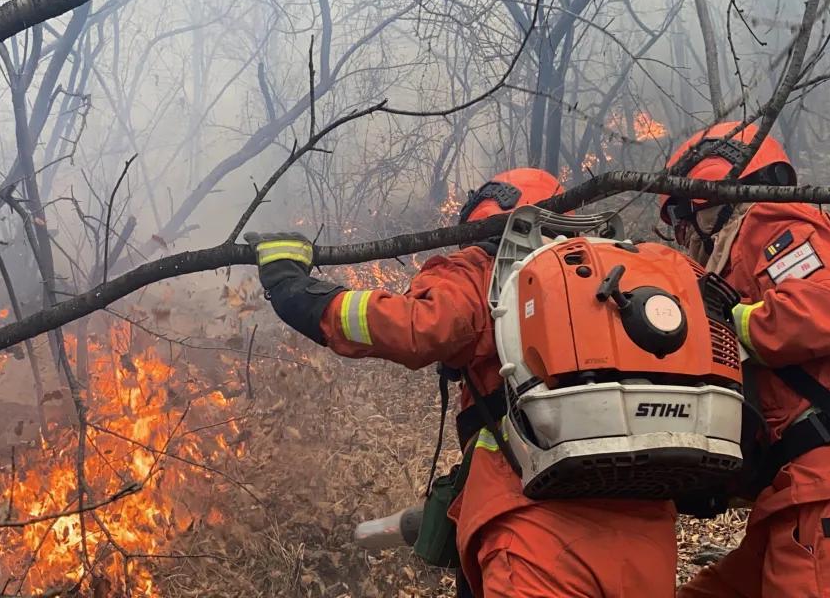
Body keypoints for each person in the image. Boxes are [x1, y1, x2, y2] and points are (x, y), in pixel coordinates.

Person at [247, 168, 678, 597]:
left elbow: (415, 327)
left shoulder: (489, 269)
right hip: (646, 532)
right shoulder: (632, 275)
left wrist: (295, 290)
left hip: (533, 534)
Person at [659, 122, 830, 597]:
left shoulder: (769, 221)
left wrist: (730, 323)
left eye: (685, 218)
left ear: (711, 198)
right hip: (795, 495)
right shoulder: (745, 254)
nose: (684, 235)